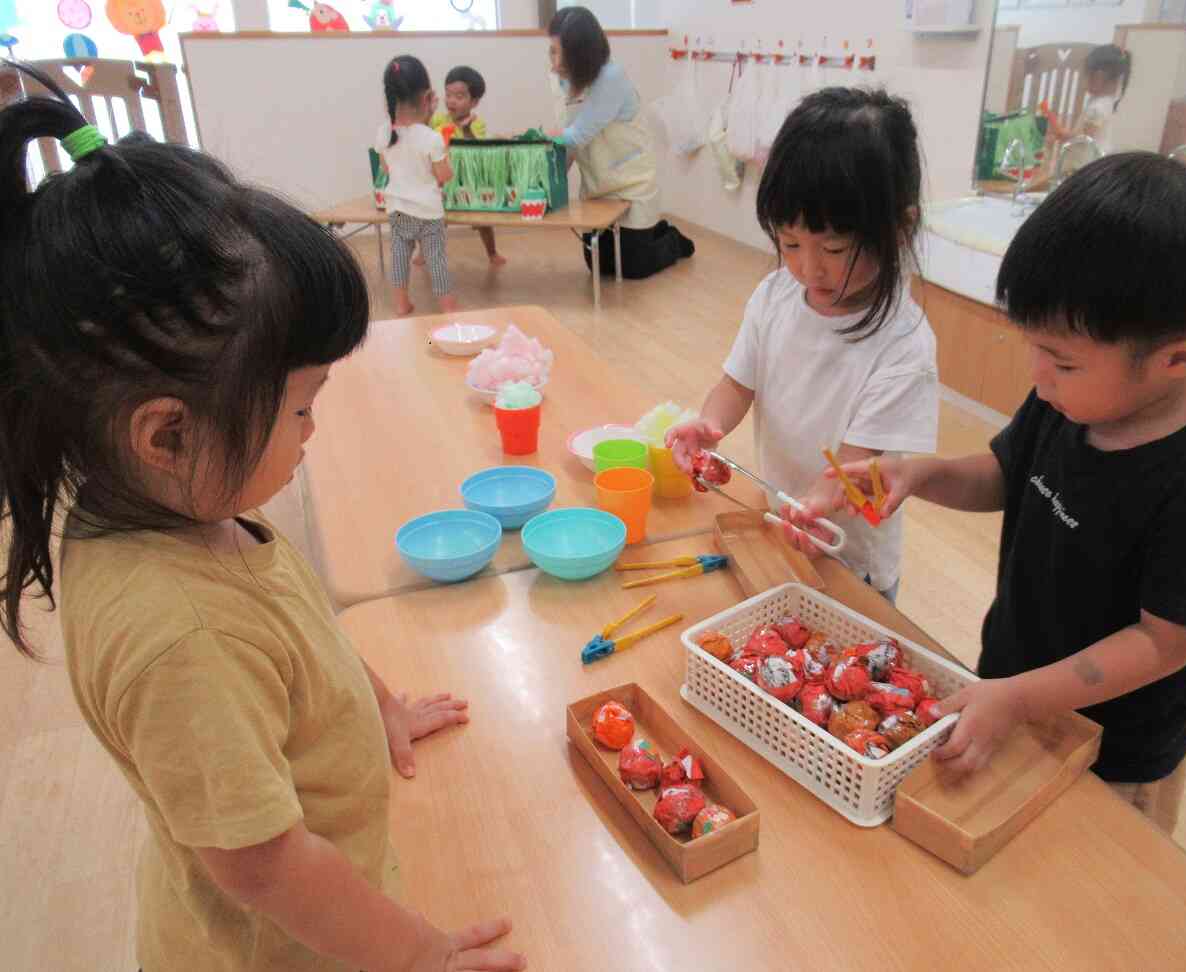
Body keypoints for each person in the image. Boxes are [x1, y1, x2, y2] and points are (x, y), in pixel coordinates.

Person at [0, 64, 526, 972]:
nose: (313, 430)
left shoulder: (180, 509)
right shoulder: (181, 634)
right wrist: (419, 958)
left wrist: (376, 706)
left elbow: (294, 622)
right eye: (300, 407)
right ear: (167, 435)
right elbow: (265, 867)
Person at [828, 153, 1186, 833]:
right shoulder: (1072, 404)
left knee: (1087, 904)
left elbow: (1162, 645)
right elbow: (1009, 475)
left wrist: (1019, 698)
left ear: (1181, 358)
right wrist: (923, 472)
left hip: (1113, 751)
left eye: (1062, 361)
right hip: (1010, 690)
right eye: (1035, 349)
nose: (1039, 379)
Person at [665, 87, 939, 602]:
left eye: (833, 248)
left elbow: (853, 471)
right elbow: (735, 383)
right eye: (789, 243)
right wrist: (711, 424)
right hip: (790, 526)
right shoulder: (776, 295)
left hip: (854, 560)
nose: (807, 267)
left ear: (898, 230)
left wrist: (816, 503)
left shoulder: (905, 347)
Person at [546, 5, 693, 280]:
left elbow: (576, 134)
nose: (552, 61)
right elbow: (568, 138)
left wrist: (538, 141)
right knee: (599, 266)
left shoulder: (611, 78)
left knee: (633, 268)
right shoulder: (560, 79)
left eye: (557, 52)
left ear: (579, 52)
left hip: (632, 186)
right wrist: (552, 182)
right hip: (598, 187)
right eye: (551, 51)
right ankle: (653, 233)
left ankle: (672, 240)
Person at [376, 54, 456, 316]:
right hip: (428, 213)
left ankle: (401, 304)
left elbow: (385, 168)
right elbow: (444, 175)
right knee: (436, 261)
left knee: (399, 257)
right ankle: (447, 308)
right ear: (427, 98)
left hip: (397, 208)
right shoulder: (431, 138)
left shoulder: (384, 132)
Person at [427, 64, 505, 267]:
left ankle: (492, 252)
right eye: (448, 94)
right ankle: (423, 252)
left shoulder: (476, 123)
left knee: (482, 219)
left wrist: (467, 129)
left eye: (459, 96)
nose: (451, 100)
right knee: (430, 218)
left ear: (474, 101)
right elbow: (422, 131)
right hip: (442, 178)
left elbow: (477, 148)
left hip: (468, 179)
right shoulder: (438, 119)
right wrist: (427, 113)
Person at [1050, 44, 1132, 156]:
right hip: (1095, 156)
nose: (1084, 82)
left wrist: (1062, 134)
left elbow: (1082, 139)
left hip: (1088, 161)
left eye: (1085, 75)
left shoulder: (1098, 107)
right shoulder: (1105, 101)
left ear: (1098, 77)